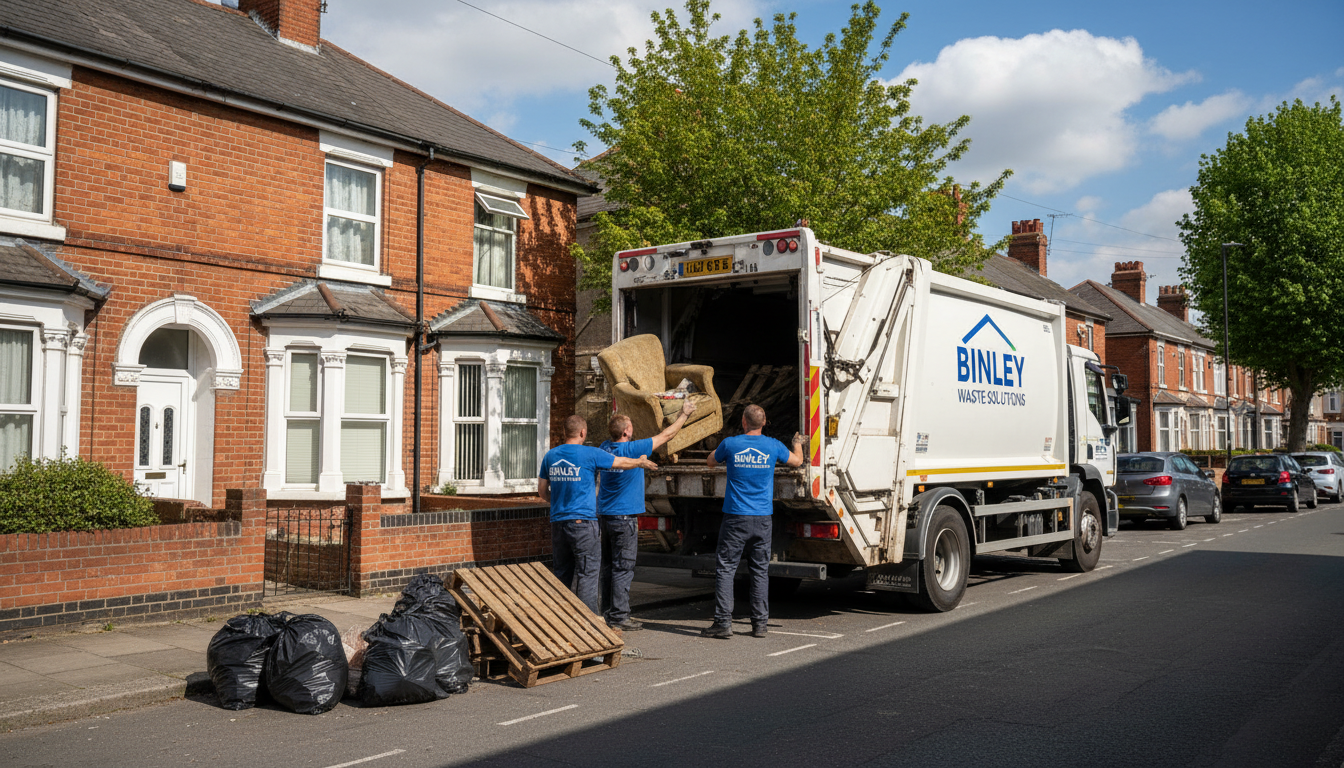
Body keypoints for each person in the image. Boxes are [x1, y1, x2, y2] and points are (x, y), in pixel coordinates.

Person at [700, 404, 804, 639]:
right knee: (759, 570)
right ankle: (760, 625)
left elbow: (710, 462)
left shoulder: (731, 443)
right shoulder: (773, 445)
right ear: (764, 422)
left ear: (744, 422)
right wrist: (797, 442)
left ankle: (723, 623)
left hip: (736, 517)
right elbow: (797, 462)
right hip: (763, 518)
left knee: (726, 568)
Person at [539, 415, 657, 615]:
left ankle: (560, 620)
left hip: (558, 523)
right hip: (583, 524)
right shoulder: (590, 454)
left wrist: (559, 504)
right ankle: (589, 625)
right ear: (583, 433)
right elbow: (620, 462)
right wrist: (639, 463)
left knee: (561, 573)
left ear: (563, 432)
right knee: (588, 573)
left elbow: (542, 490)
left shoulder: (551, 456)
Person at [597, 398, 697, 631]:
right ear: (626, 432)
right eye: (630, 425)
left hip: (605, 517)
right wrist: (684, 414)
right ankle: (621, 616)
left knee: (609, 567)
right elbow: (667, 436)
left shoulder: (604, 448)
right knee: (623, 567)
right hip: (624, 519)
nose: (632, 428)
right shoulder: (633, 448)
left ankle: (607, 613)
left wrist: (639, 461)